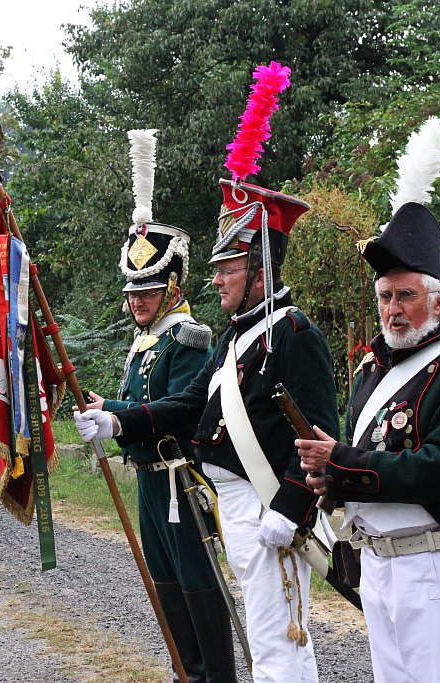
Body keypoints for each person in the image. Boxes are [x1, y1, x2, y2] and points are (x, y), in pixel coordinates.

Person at [76, 173, 338, 681]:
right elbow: (193, 402)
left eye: (227, 269)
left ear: (258, 271)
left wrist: (290, 507)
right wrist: (117, 418)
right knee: (272, 643)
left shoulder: (293, 333)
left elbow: (317, 434)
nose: (215, 280)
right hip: (236, 507)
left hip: (268, 508)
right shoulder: (238, 336)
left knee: (276, 645)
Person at [296, 117, 440, 683]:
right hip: (378, 565)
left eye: (407, 296)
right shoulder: (373, 369)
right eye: (386, 297)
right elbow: (362, 457)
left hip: (435, 568)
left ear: (438, 302)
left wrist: (341, 463)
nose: (393, 309)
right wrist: (331, 480)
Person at [85, 129, 235, 683]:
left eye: (147, 293)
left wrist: (119, 416)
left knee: (198, 584)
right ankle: (186, 674)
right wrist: (109, 410)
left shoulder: (190, 338)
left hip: (181, 481)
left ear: (172, 288)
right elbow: (140, 403)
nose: (137, 303)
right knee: (164, 585)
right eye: (132, 294)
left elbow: (179, 408)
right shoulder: (144, 341)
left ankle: (215, 677)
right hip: (148, 480)